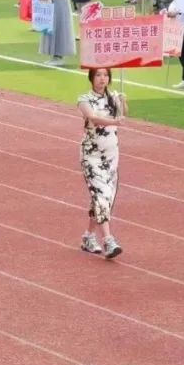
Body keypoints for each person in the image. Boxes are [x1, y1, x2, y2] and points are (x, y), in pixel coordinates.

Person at [77, 67, 126, 260]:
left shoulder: (113, 97)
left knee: (104, 198)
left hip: (111, 155)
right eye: (98, 75)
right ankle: (108, 240)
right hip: (92, 155)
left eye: (105, 75)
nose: (102, 79)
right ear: (91, 78)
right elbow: (93, 118)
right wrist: (114, 121)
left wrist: (123, 102)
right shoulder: (84, 99)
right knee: (101, 195)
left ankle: (88, 237)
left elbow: (124, 114)